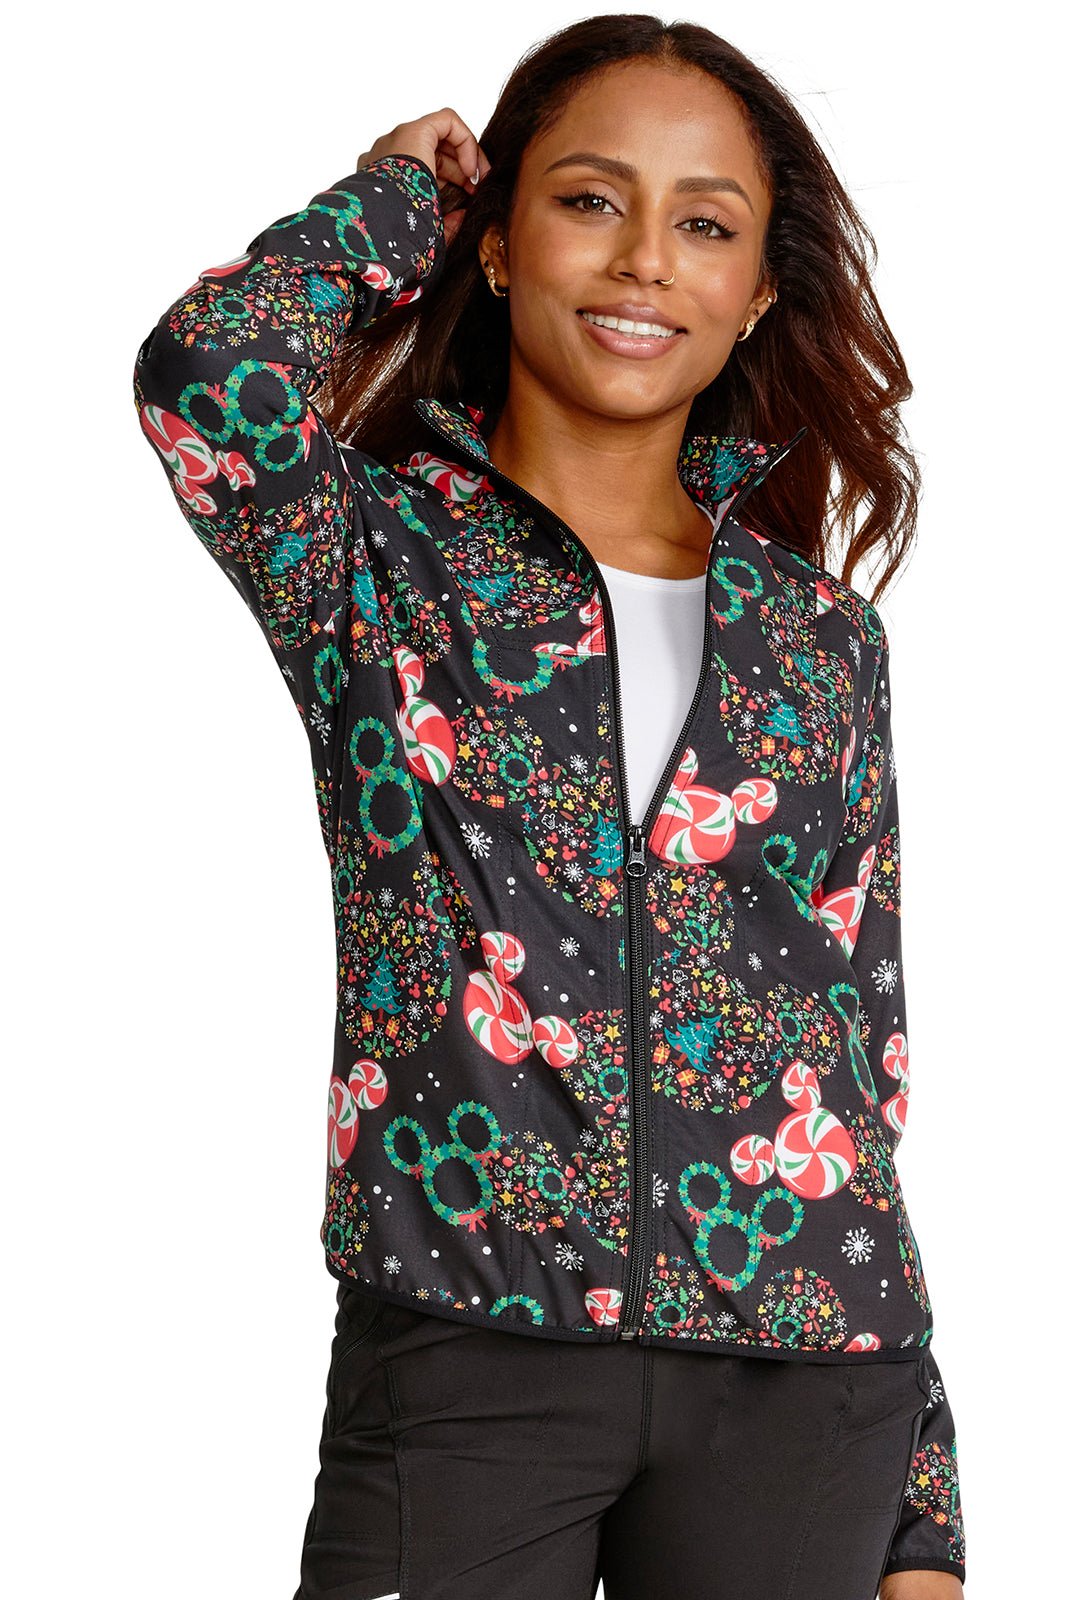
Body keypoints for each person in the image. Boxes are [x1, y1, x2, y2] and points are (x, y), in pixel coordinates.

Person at [132, 14, 966, 1599]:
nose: (645, 259)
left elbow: (857, 1051)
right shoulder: (370, 559)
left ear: (757, 290)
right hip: (467, 1346)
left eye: (706, 225)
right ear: (502, 244)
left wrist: (925, 1502)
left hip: (802, 1383)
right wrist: (400, 200)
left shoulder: (821, 639)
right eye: (590, 201)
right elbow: (206, 376)